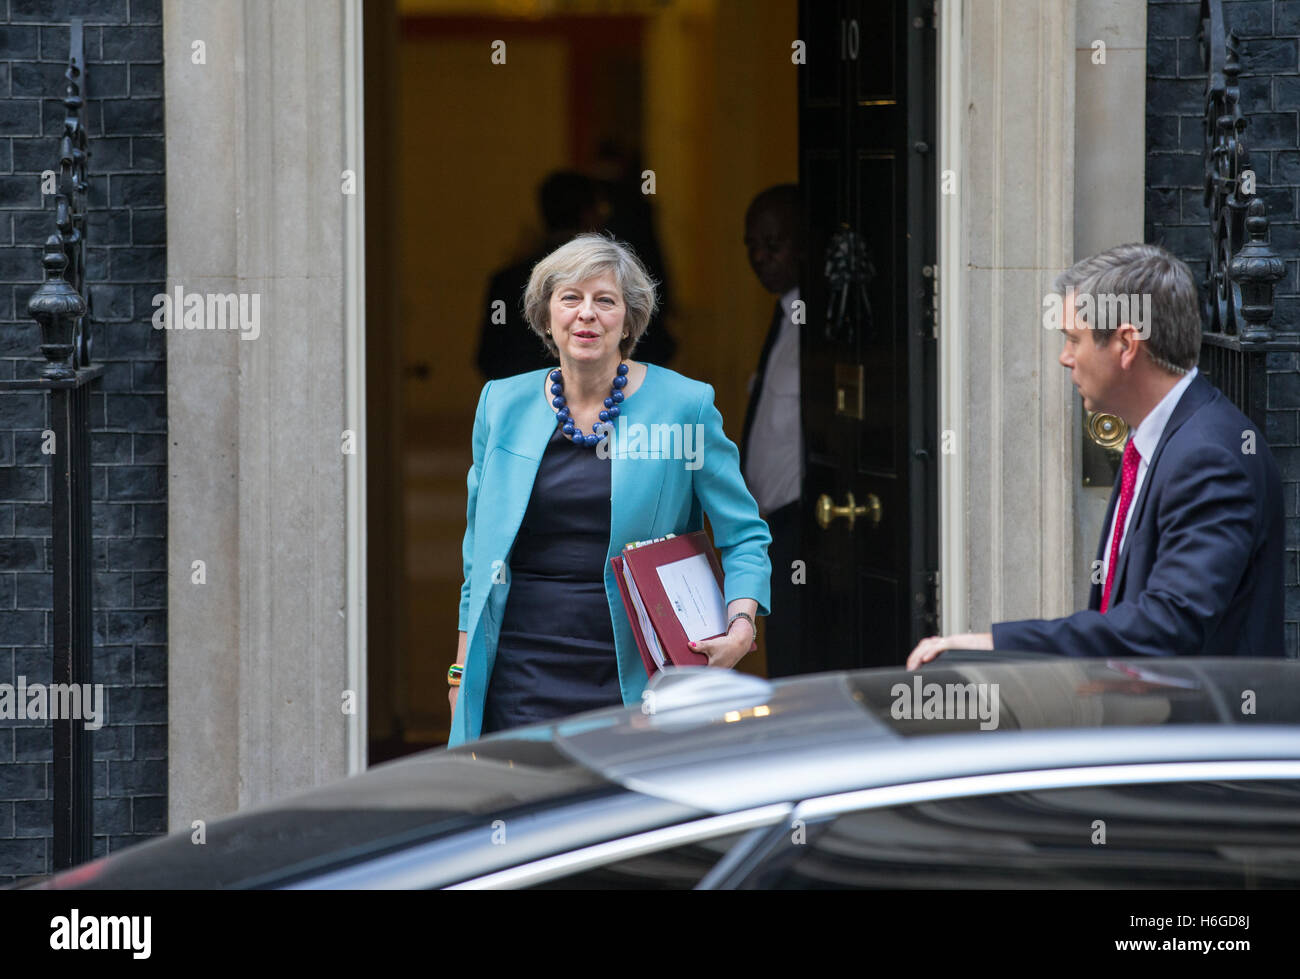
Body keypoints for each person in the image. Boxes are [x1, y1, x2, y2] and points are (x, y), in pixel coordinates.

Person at [449, 232, 772, 746]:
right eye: (570, 298)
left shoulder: (684, 405)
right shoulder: (500, 404)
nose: (586, 315)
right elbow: (477, 555)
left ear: (630, 317)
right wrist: (461, 668)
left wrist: (741, 624)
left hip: (639, 663)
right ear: (546, 314)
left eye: (605, 300)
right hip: (521, 664)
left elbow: (744, 535)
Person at [907, 242, 1284, 669]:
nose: (1065, 358)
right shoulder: (1163, 442)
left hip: (1200, 731)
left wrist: (998, 644)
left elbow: (1168, 625)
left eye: (1073, 339)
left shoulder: (1210, 459)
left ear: (1126, 343)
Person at [739, 184, 804, 678]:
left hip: (802, 528)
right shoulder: (781, 316)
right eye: (752, 246)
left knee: (799, 660)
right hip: (765, 529)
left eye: (773, 244)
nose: (760, 258)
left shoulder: (820, 326)